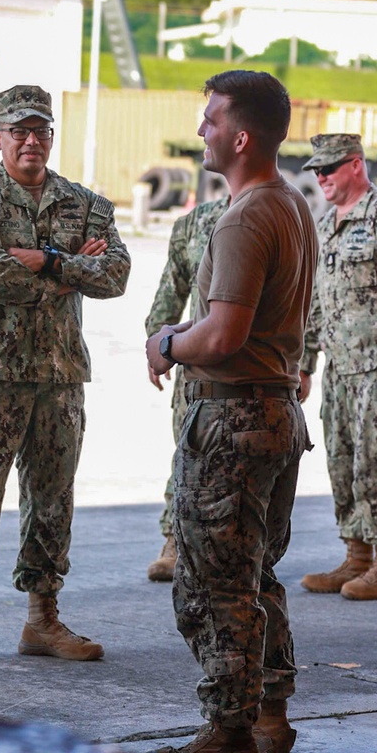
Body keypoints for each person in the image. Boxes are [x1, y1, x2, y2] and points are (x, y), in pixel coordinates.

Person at [146, 70, 317, 753]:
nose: (202, 129)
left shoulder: (246, 216)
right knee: (255, 575)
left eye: (211, 119)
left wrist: (166, 344)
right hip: (273, 410)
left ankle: (228, 731)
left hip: (236, 417)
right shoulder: (291, 204)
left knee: (213, 584)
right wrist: (193, 329)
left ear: (241, 136)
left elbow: (222, 336)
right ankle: (269, 712)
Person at [0, 84, 131, 670]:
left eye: (40, 130)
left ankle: (42, 620)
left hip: (59, 375)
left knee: (52, 499)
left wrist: (46, 260)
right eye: (18, 131)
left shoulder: (85, 203)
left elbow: (115, 272)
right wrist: (74, 271)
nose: (30, 141)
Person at [298, 133, 377, 600]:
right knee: (340, 461)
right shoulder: (325, 225)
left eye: (329, 168)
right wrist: (305, 363)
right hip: (339, 368)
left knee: (373, 464)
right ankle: (356, 555)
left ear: (357, 166)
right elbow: (317, 302)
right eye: (316, 170)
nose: (321, 177)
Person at [145, 193, 229, 581]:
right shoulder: (195, 223)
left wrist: (305, 363)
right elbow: (171, 288)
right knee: (188, 452)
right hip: (195, 365)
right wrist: (156, 345)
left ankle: (225, 551)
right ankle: (175, 540)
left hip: (250, 367)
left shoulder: (274, 211)